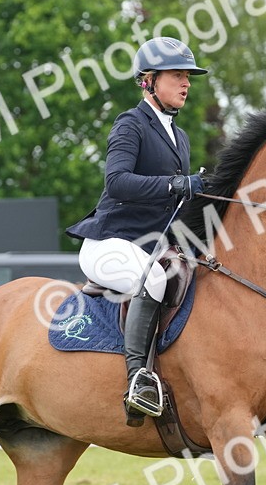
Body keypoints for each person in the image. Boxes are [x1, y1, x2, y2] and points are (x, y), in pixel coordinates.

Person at [65, 36, 207, 424]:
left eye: (188, 77)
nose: (186, 83)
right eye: (178, 75)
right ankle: (138, 381)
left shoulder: (180, 137)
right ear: (149, 81)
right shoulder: (131, 124)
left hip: (149, 245)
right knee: (156, 280)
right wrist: (176, 184)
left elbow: (170, 211)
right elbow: (117, 182)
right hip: (109, 242)